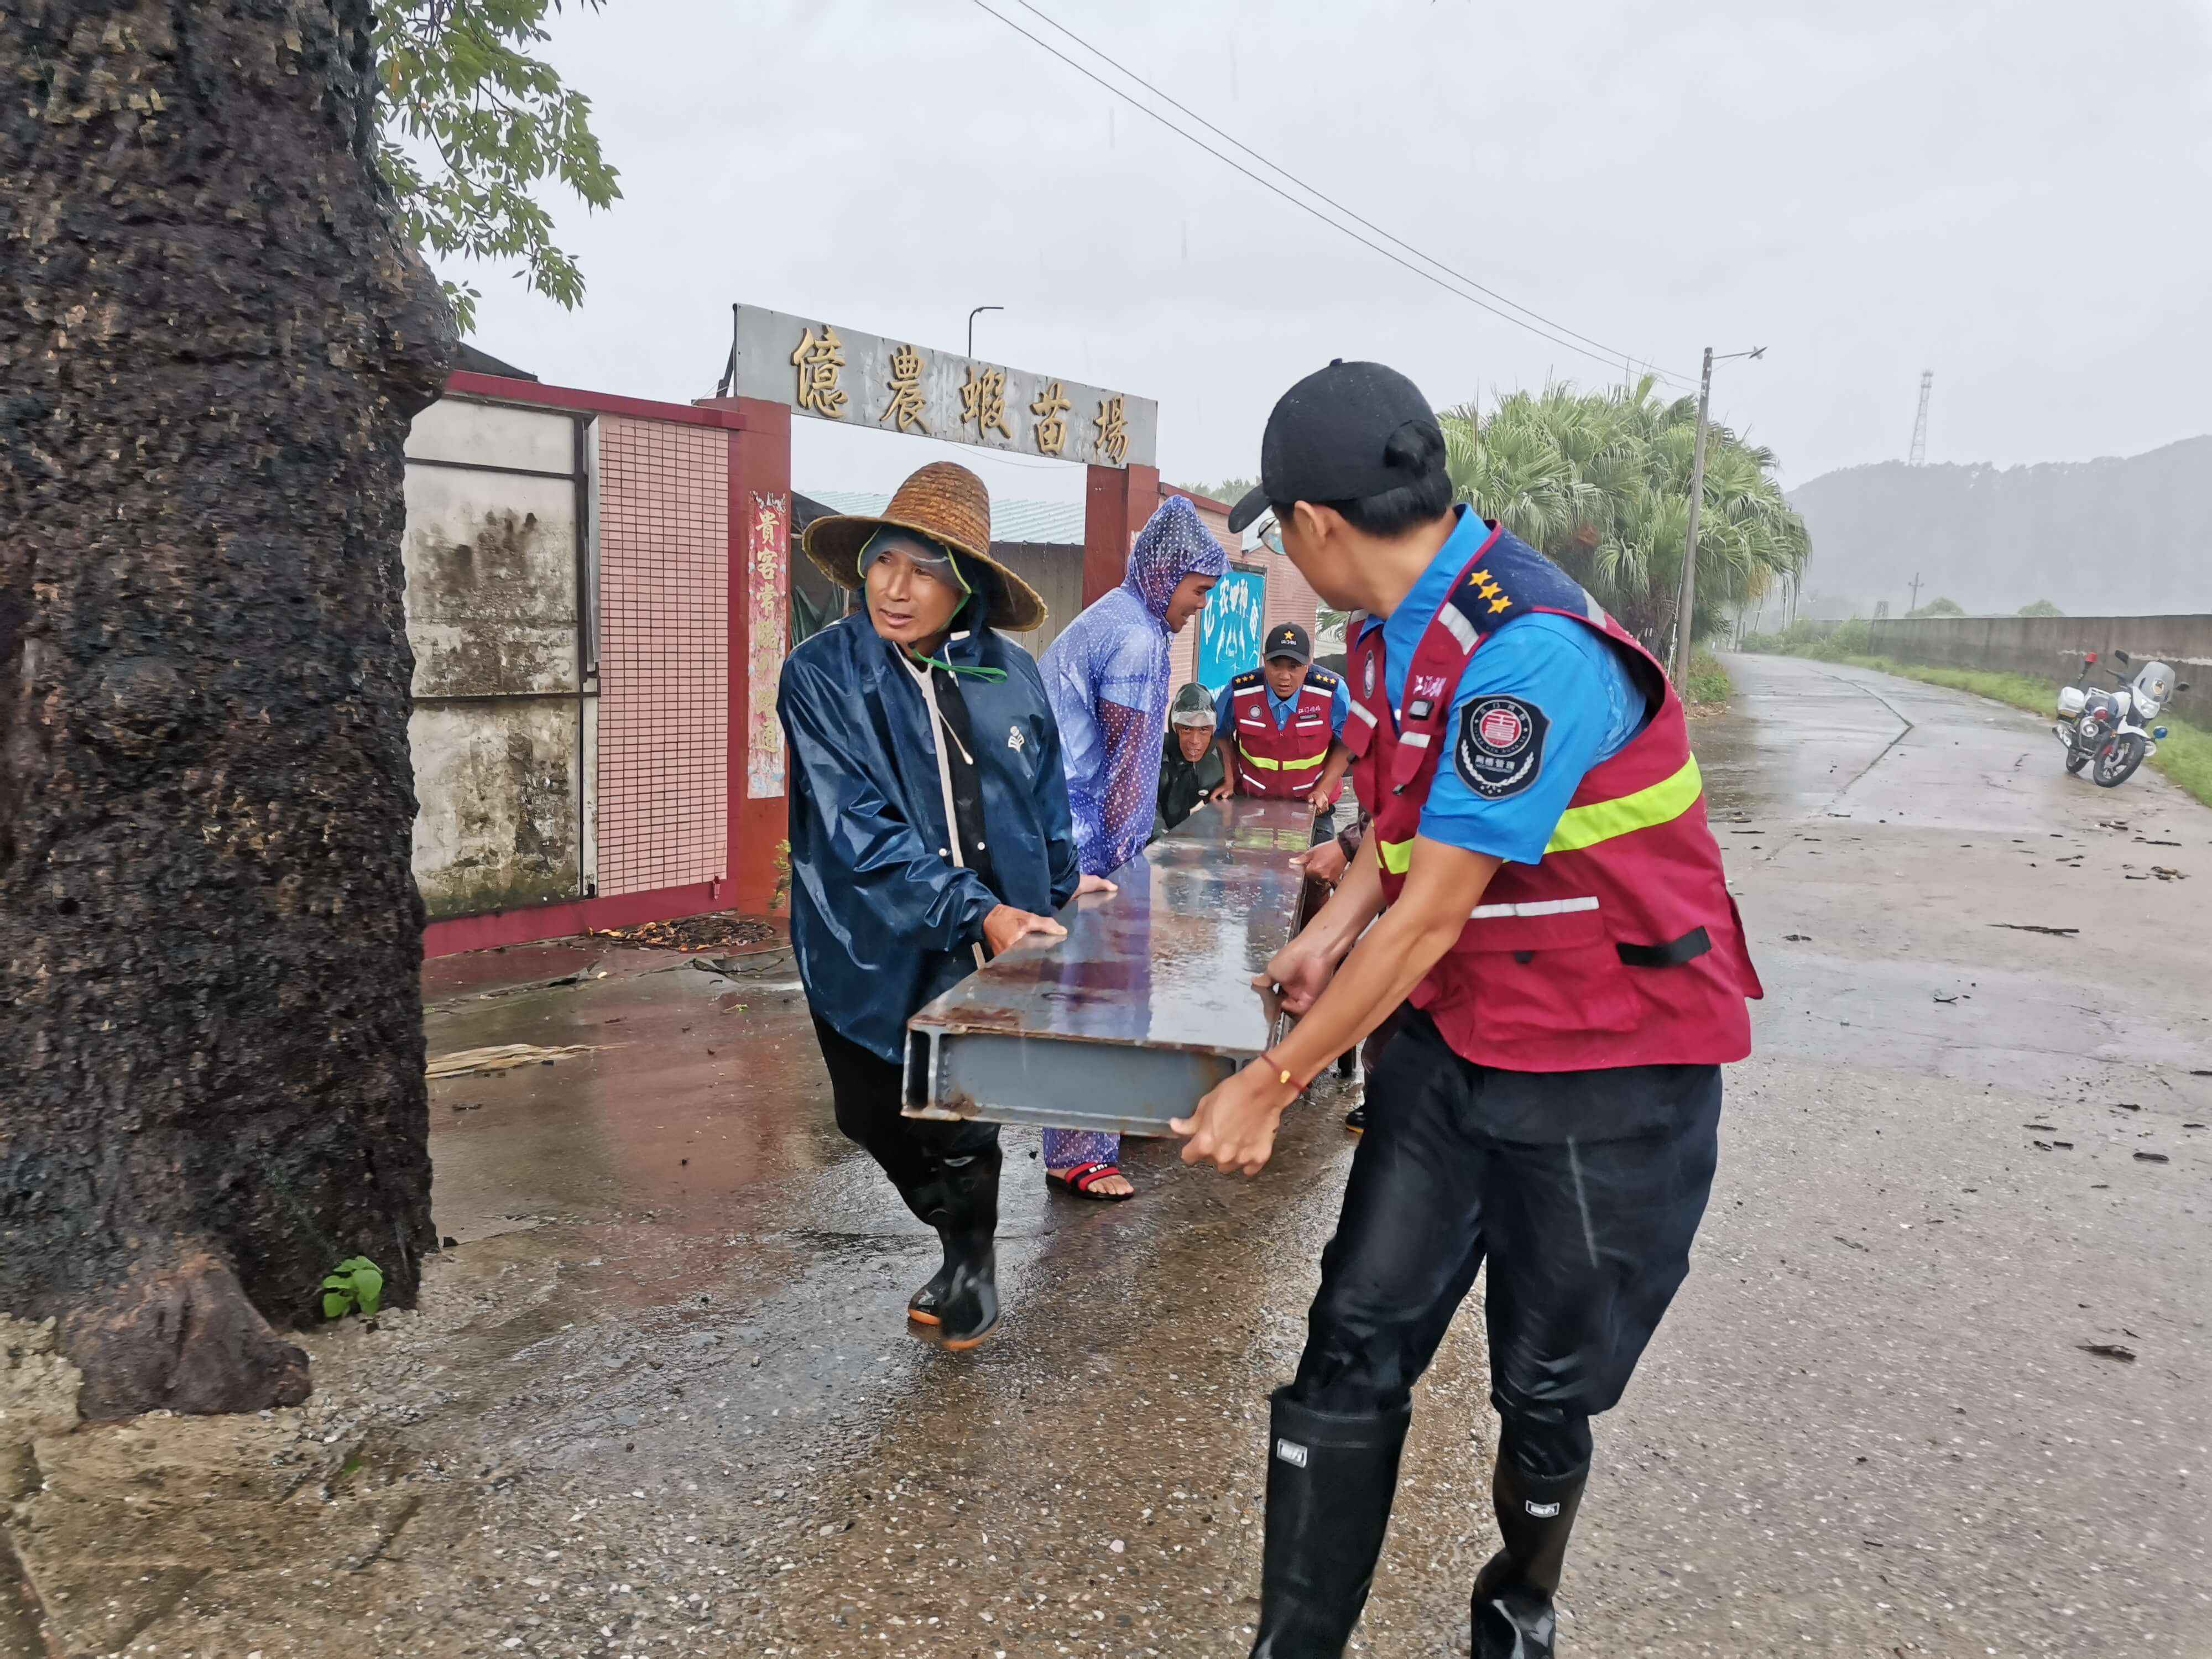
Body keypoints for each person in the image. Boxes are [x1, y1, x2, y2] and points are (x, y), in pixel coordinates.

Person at [1171, 361, 1763, 1657]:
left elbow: (1434, 906)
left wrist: (1269, 1083)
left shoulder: (1527, 653)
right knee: (1350, 1339)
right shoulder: (1387, 636)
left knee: (1545, 1391)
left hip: (1610, 1075)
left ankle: (1515, 1614)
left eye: (1278, 529)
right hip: (1450, 1058)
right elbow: (1402, 836)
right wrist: (1329, 932)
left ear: (1319, 526)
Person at [780, 462, 1114, 1352]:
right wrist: (977, 910)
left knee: (963, 1114)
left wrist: (1059, 885)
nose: (897, 588)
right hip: (866, 942)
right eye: (885, 561)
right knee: (868, 1110)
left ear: (963, 580)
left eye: (925, 569)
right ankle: (948, 1212)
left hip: (989, 948)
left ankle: (970, 1265)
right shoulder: (820, 677)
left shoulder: (1013, 675)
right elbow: (857, 831)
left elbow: (1045, 800)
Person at [1037, 494, 1226, 1200]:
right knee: (1097, 991)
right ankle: (1078, 1151)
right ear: (1165, 573)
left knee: (1105, 989)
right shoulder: (1141, 640)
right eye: (1198, 591)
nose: (1198, 608)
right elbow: (1127, 767)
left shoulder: (1114, 618)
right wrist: (1119, 865)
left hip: (1062, 831)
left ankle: (1112, 1117)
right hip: (1087, 840)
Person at [1213, 621, 1353, 843]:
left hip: (1313, 810)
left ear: (1308, 664)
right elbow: (1220, 733)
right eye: (1275, 665)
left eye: (1294, 666)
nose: (1284, 676)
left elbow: (1348, 742)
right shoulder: (1240, 691)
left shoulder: (1331, 692)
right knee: (1245, 873)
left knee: (1317, 875)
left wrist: (1324, 790)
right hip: (1251, 808)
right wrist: (1229, 779)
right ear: (1264, 660)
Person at [1154, 680, 1230, 837]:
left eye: (1203, 730)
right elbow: (1144, 809)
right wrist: (1163, 842)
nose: (1195, 740)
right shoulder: (1155, 758)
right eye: (1187, 729)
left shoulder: (1221, 760)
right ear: (1175, 729)